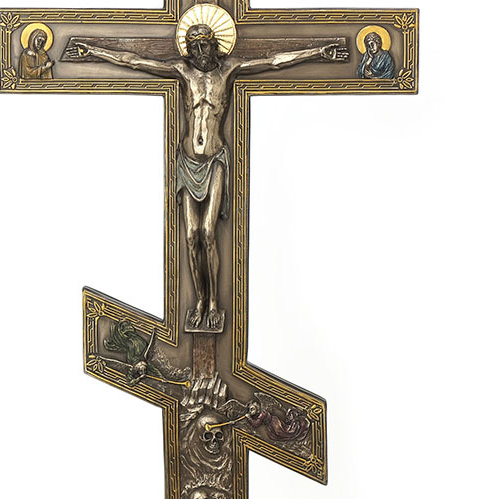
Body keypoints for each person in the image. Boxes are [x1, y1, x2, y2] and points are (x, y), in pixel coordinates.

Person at [66, 17, 348, 331]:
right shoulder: (182, 71)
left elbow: (274, 61)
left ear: (215, 45)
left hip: (215, 161)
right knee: (190, 235)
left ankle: (214, 301)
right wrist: (94, 51)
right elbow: (134, 61)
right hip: (188, 162)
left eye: (205, 45)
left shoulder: (228, 70)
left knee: (209, 233)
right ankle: (200, 300)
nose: (201, 52)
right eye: (195, 47)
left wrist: (318, 52)